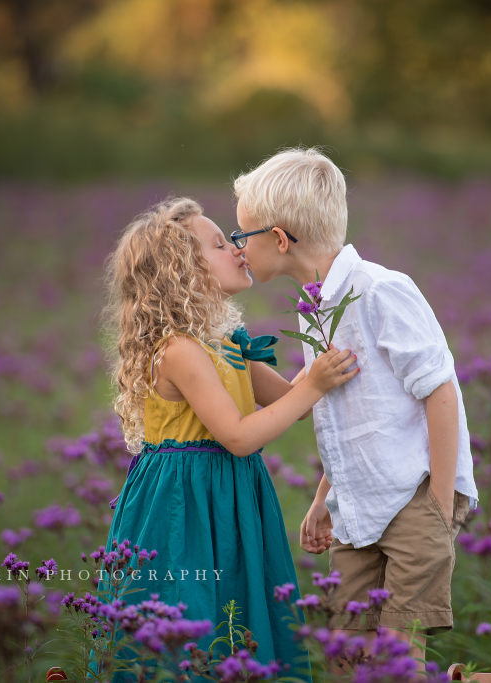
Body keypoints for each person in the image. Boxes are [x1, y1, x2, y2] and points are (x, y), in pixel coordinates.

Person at [233, 148, 479, 674]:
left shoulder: (379, 292)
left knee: (396, 656)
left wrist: (437, 505)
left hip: (414, 496)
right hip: (359, 508)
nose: (237, 248)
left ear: (278, 239)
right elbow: (342, 419)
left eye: (242, 236)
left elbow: (440, 391)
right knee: (350, 656)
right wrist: (327, 497)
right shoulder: (317, 308)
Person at [98, 196, 358, 681]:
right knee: (189, 611)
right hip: (184, 500)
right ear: (182, 270)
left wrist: (334, 346)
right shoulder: (179, 349)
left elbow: (289, 401)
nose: (238, 249)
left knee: (238, 609)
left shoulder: (227, 341)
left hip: (231, 494)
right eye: (220, 244)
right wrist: (317, 382)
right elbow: (238, 437)